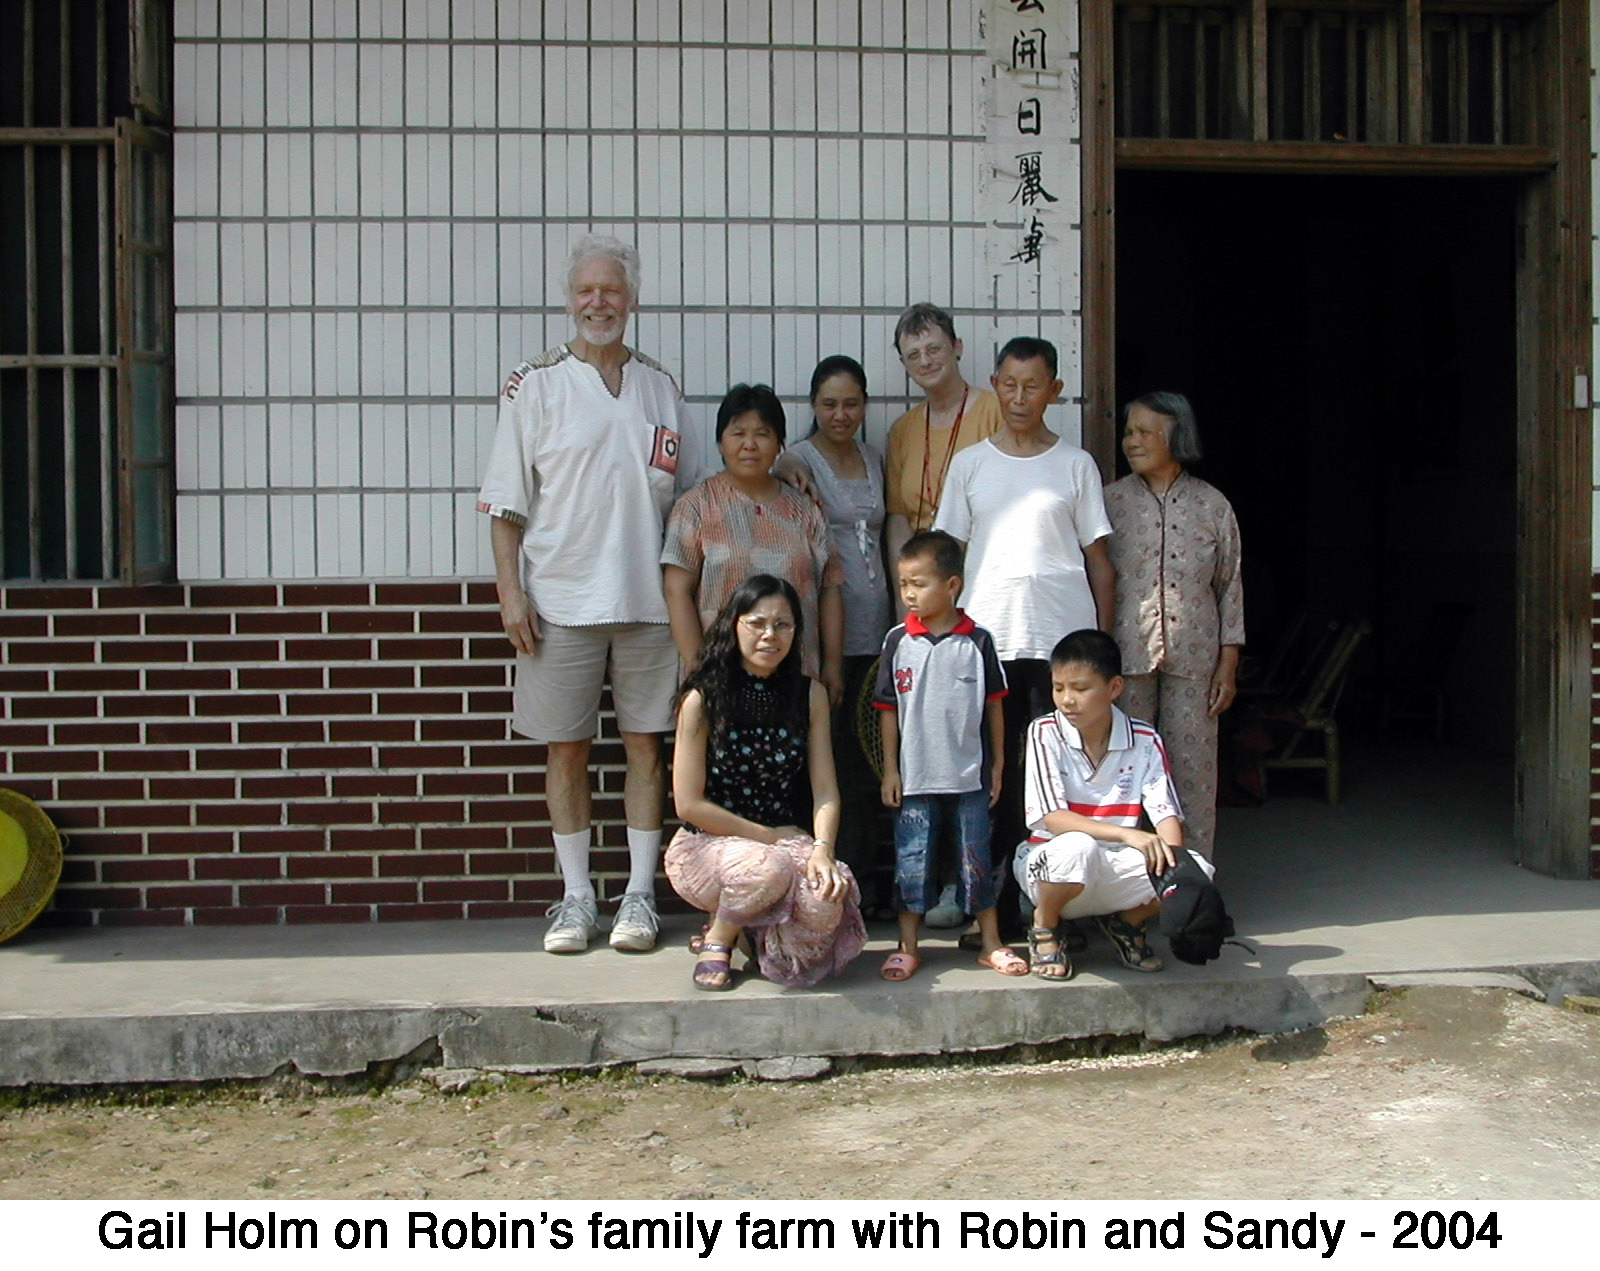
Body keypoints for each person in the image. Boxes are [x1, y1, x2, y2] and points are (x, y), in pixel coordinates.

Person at [477, 234, 701, 955]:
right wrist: (511, 591)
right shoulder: (533, 385)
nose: (598, 302)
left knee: (646, 747)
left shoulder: (661, 386)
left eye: (611, 290)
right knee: (566, 751)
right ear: (569, 299)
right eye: (585, 291)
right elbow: (507, 504)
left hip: (649, 604)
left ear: (632, 300)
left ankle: (639, 895)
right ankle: (576, 897)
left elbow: (694, 496)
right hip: (559, 604)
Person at [933, 336, 1116, 927]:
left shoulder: (1075, 464)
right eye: (1008, 384)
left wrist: (1104, 653)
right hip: (990, 646)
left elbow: (1100, 563)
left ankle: (1061, 909)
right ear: (995, 385)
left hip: (1063, 653)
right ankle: (995, 912)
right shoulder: (971, 464)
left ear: (1054, 391)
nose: (1018, 397)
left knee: (1058, 780)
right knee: (996, 777)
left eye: (1031, 385)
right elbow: (947, 561)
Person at [666, 575, 866, 990]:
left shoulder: (809, 695)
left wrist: (822, 850)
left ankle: (756, 935)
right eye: (757, 623)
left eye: (783, 625)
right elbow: (688, 805)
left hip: (781, 843)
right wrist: (770, 837)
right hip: (705, 845)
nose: (769, 635)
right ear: (733, 625)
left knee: (829, 895)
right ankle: (719, 938)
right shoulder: (702, 699)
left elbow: (825, 790)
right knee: (766, 869)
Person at [1015, 630, 1216, 979]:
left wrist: (1176, 873)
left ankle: (1125, 923)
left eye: (1080, 688)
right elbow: (1054, 819)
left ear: (1115, 689)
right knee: (1077, 847)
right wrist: (1127, 836)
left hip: (1114, 866)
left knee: (1197, 868)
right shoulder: (1043, 732)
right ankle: (1045, 925)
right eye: (1058, 687)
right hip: (1052, 863)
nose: (1066, 700)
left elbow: (1165, 813)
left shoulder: (1144, 738)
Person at [874, 531, 1024, 979]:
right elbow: (886, 711)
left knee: (975, 858)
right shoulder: (898, 641)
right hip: (915, 776)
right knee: (912, 859)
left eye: (918, 584)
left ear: (952, 585)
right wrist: (889, 770)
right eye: (903, 584)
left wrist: (997, 765)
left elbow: (994, 706)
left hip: (970, 777)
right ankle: (908, 944)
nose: (909, 595)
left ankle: (991, 941)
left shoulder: (978, 641)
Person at [1105, 392, 1244, 861]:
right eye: (1129, 431)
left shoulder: (1212, 505)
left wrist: (1228, 665)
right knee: (1127, 774)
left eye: (1147, 432)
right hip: (1127, 658)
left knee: (1193, 776)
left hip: (1195, 660)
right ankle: (1133, 890)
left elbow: (1229, 587)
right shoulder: (1110, 503)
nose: (1133, 441)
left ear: (1176, 438)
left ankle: (1194, 886)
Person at [782, 356, 893, 914]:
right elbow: (772, 464)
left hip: (879, 633)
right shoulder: (798, 458)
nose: (840, 414)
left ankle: (865, 880)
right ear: (813, 406)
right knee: (837, 764)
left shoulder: (875, 458)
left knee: (873, 763)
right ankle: (836, 885)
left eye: (851, 403)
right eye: (829, 404)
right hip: (828, 641)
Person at [662, 384, 844, 700]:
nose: (750, 445)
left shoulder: (806, 509)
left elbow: (830, 589)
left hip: (798, 678)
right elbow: (677, 591)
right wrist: (697, 669)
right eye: (738, 433)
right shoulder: (696, 507)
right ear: (720, 442)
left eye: (762, 434)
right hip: (719, 679)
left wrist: (832, 665)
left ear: (779, 444)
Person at [883, 302, 1004, 563]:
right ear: (904, 363)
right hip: (927, 585)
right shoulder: (902, 431)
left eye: (933, 349)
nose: (925, 361)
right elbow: (898, 520)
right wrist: (904, 596)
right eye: (913, 355)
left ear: (957, 347)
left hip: (985, 574)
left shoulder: (996, 412)